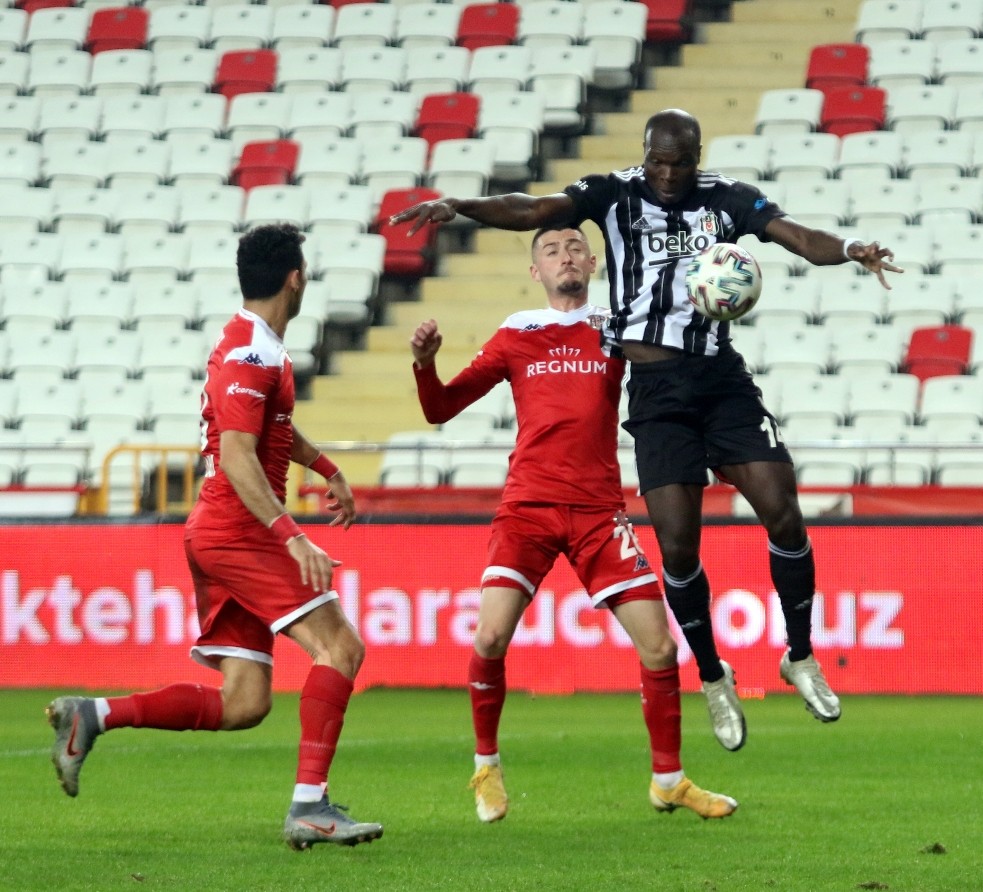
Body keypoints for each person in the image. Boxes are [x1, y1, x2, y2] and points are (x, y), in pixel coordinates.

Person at [392, 109, 904, 753]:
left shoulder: (727, 200)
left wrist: (853, 250)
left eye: (679, 162)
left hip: (722, 382)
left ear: (696, 155)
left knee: (783, 511)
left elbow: (797, 236)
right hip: (657, 394)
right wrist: (459, 206)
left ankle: (799, 655)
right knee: (681, 549)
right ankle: (714, 676)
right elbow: (535, 209)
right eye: (657, 159)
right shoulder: (613, 192)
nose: (666, 173)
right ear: (645, 152)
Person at [46, 223, 383, 851]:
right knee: (341, 647)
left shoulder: (257, 346)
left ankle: (91, 716)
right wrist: (292, 536)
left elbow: (272, 428)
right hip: (237, 531)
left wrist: (326, 467)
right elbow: (235, 454)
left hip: (222, 531)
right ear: (295, 278)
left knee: (244, 702)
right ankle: (310, 807)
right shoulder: (250, 350)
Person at [409, 226, 737, 824]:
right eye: (551, 250)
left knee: (661, 647)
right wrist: (425, 366)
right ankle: (486, 767)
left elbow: (678, 376)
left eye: (573, 247)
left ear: (591, 261)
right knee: (488, 639)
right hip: (528, 507)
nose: (564, 256)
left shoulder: (617, 328)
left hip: (598, 513)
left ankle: (668, 779)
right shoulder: (517, 333)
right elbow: (439, 409)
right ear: (536, 270)